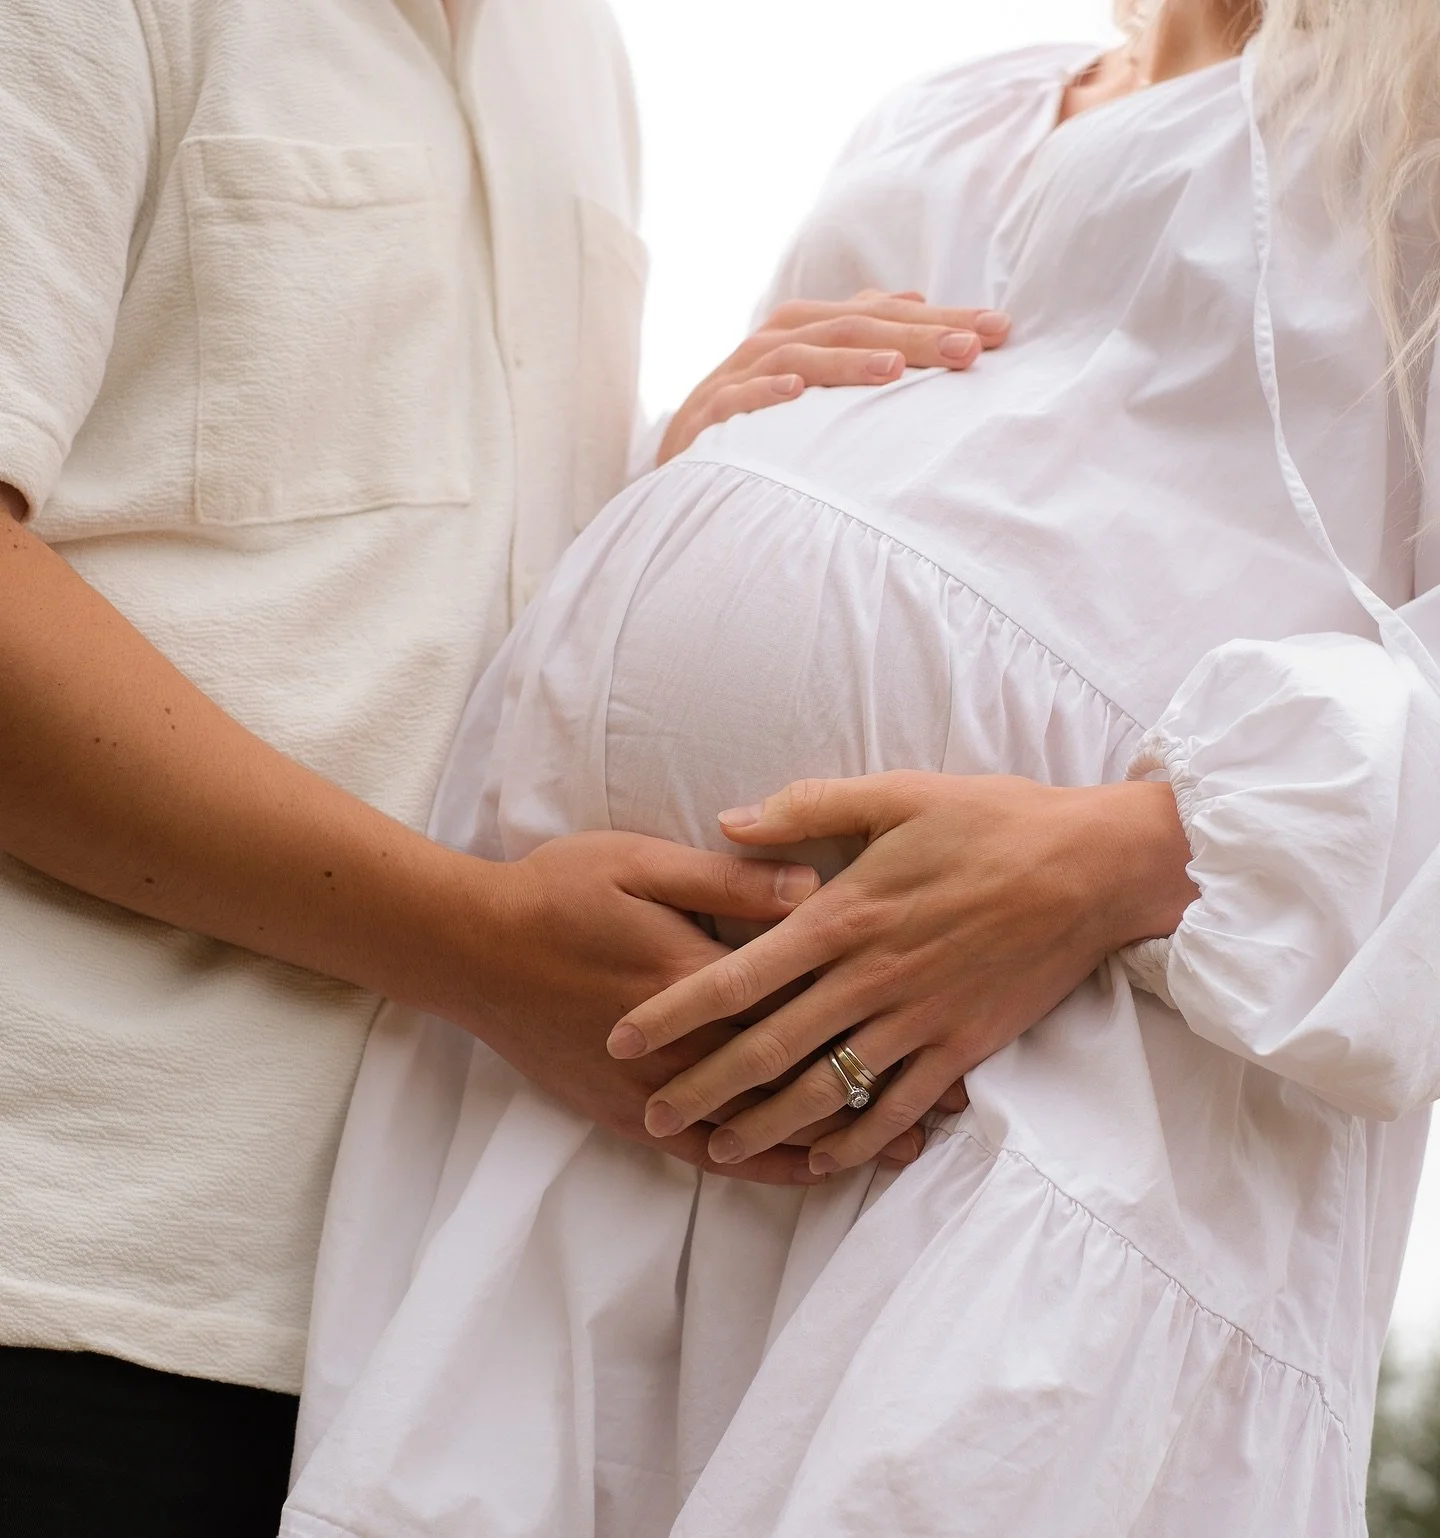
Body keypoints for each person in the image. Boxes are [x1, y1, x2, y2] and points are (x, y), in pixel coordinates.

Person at [281, 0, 1440, 1535]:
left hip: (1025, 1178)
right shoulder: (940, 119)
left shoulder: (1405, 125)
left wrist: (1132, 854)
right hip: (589, 1144)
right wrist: (682, 463)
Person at [0, 0, 1008, 1531]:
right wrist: (476, 948)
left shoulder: (572, 57)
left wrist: (687, 492)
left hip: (410, 1345)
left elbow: (413, 615)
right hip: (62, 1280)